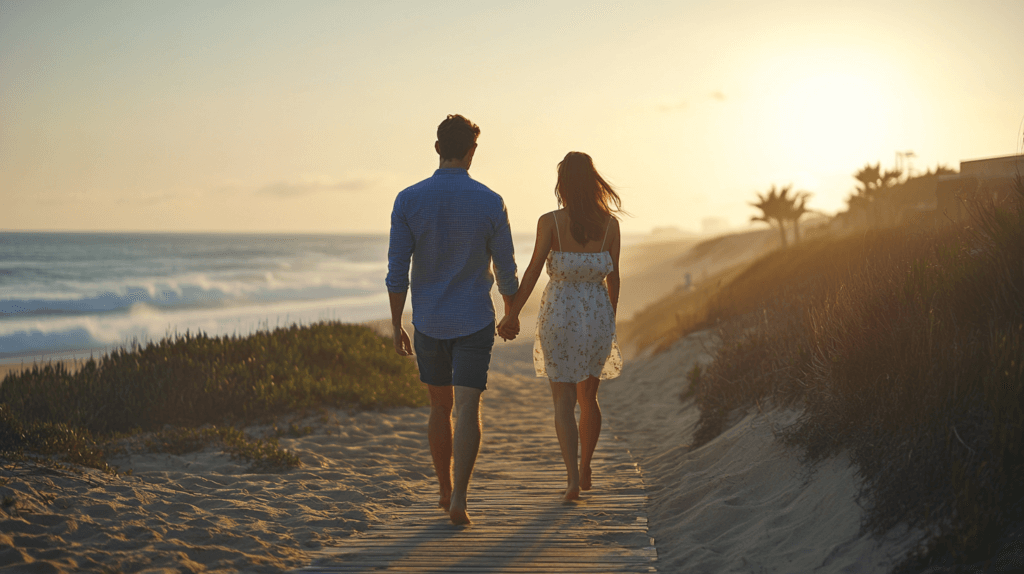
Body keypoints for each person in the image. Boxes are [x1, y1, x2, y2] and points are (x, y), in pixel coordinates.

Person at [386, 114, 519, 525]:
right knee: (467, 406)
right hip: (475, 319)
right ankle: (460, 497)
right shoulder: (490, 201)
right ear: (471, 151)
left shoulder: (408, 199)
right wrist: (511, 313)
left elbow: (397, 269)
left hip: (428, 321)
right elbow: (507, 269)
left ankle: (443, 488)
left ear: (437, 148)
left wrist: (396, 324)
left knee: (439, 408)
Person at [498, 151, 623, 502]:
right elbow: (614, 278)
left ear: (563, 184)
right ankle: (586, 468)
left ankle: (570, 479)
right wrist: (609, 320)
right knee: (590, 398)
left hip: (559, 316)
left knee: (563, 400)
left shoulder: (550, 221)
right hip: (597, 315)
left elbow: (534, 271)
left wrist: (512, 314)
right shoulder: (611, 226)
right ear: (594, 182)